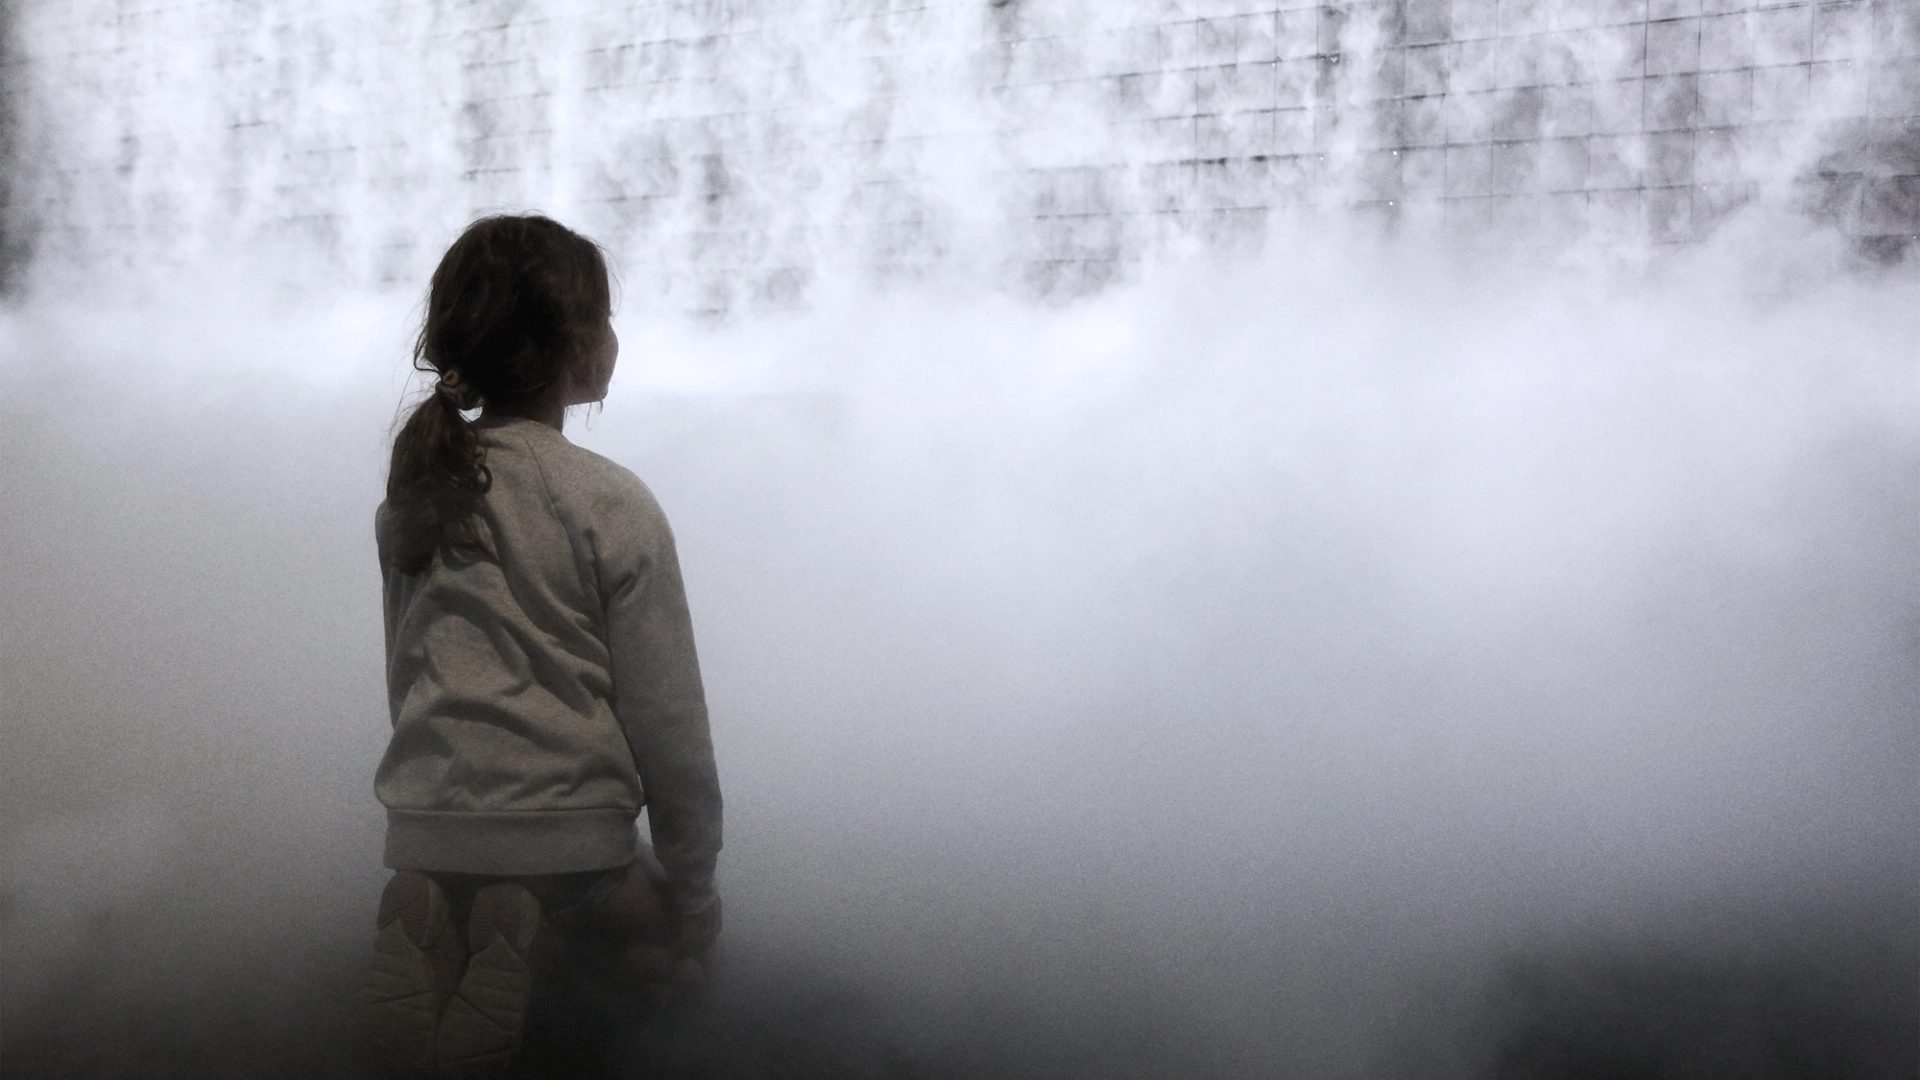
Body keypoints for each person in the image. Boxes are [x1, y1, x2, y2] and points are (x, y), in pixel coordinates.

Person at [365, 214, 723, 1078]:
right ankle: (541, 953)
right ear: (576, 348)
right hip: (569, 840)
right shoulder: (608, 501)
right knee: (667, 953)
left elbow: (403, 674)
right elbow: (667, 720)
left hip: (424, 825)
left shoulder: (417, 495)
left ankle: (455, 929)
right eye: (603, 319)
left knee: (494, 891)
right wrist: (694, 886)